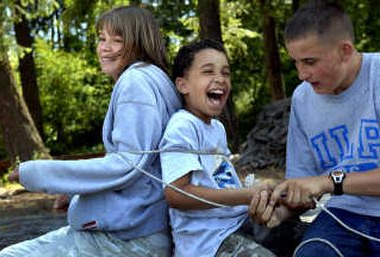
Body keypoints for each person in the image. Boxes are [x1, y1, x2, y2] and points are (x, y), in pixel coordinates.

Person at [0, 6, 181, 257]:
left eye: (117, 41)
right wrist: (75, 190)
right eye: (102, 38)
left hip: (131, 238)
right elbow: (143, 164)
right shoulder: (157, 79)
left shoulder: (134, 82)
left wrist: (38, 172)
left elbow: (128, 164)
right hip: (143, 228)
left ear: (139, 43)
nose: (105, 48)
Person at [249, 1, 380, 256]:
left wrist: (328, 182)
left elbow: (321, 183)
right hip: (343, 215)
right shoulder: (302, 98)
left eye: (309, 61)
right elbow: (305, 186)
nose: (302, 74)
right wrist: (280, 211)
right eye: (296, 62)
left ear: (345, 50)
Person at [159, 39, 276, 257]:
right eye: (208, 72)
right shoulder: (182, 126)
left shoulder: (216, 127)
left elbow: (218, 179)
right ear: (182, 85)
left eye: (226, 73)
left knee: (302, 235)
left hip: (238, 223)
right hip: (208, 242)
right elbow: (176, 194)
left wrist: (261, 194)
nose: (220, 79)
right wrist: (244, 195)